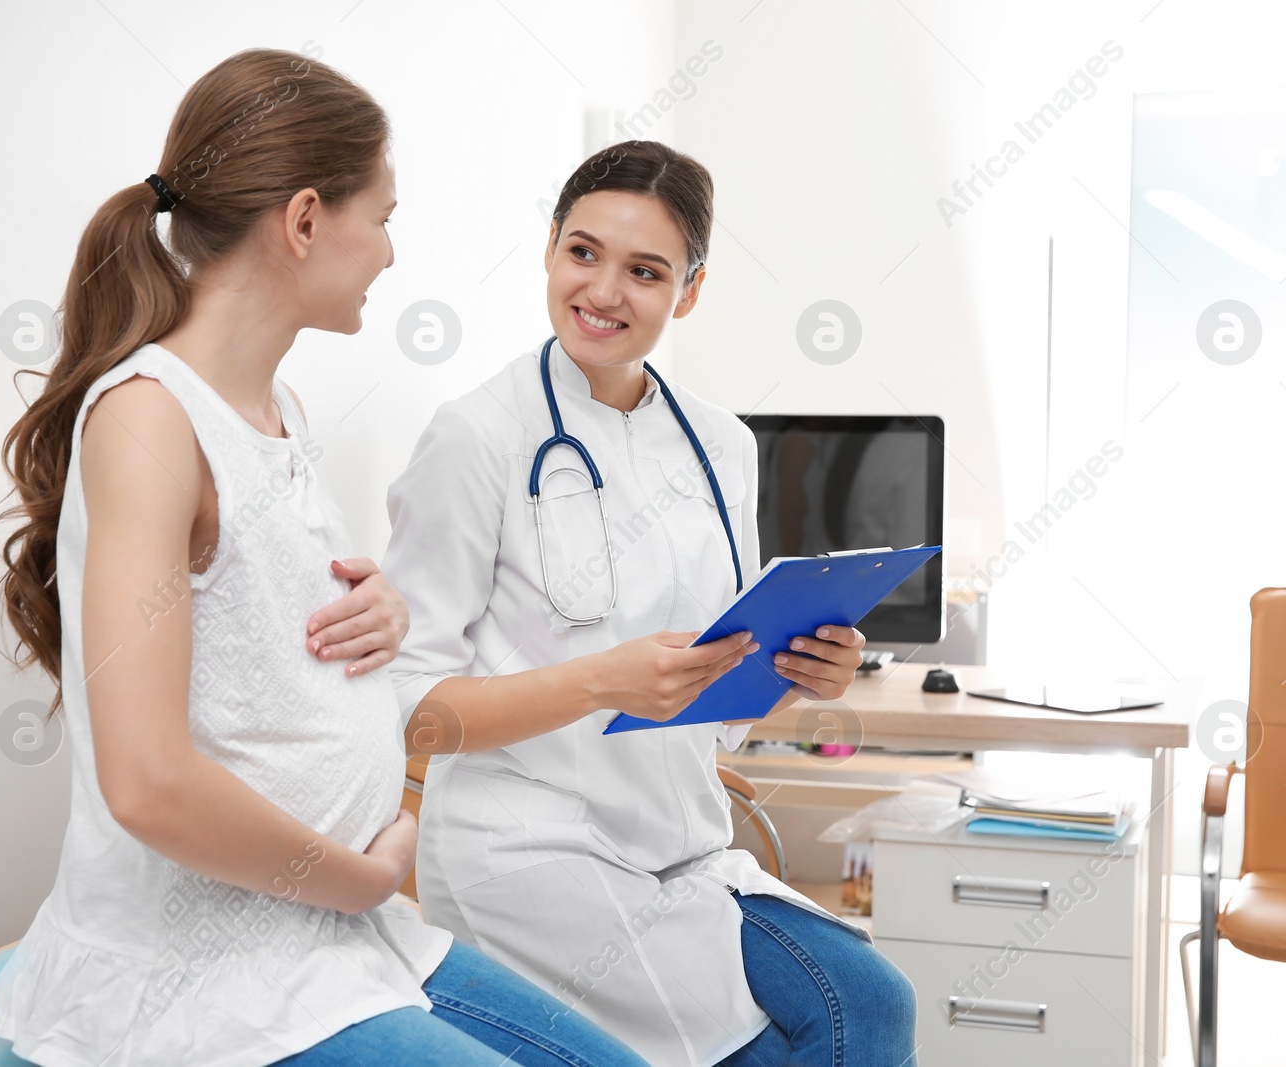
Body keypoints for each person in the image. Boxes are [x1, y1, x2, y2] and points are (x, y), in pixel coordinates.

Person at [0, 48, 648, 1067]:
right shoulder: (152, 420)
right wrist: (359, 874)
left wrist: (373, 609)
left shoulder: (276, 409)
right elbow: (147, 781)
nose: (388, 252)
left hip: (340, 932)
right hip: (211, 968)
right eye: (380, 217)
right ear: (303, 221)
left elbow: (250, 627)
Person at [310, 140, 918, 1066]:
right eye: (583, 252)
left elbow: (716, 705)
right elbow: (406, 711)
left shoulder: (720, 445)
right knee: (769, 1043)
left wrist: (796, 676)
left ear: (692, 289)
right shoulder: (477, 436)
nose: (604, 291)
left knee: (871, 1000)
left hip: (683, 844)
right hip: (526, 858)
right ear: (550, 246)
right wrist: (599, 682)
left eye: (646, 271)